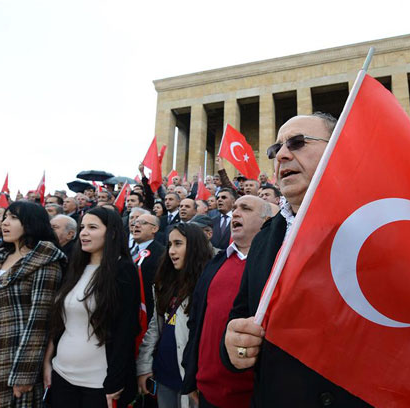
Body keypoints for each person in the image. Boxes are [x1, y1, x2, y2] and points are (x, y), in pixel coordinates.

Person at [222, 112, 370, 406]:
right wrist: (234, 344)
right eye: (275, 150)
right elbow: (240, 316)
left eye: (298, 143)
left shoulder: (375, 227)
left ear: (336, 148)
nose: (282, 156)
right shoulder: (264, 239)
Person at [0, 201, 66, 407]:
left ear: (31, 223)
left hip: (15, 356)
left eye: (14, 218)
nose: (5, 223)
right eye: (5, 217)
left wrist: (24, 373)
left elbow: (39, 321)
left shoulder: (46, 260)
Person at [44, 207, 140, 408]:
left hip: (99, 382)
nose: (84, 233)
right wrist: (47, 362)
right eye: (82, 227)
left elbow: (126, 329)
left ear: (112, 232)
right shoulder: (74, 267)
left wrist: (115, 379)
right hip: (61, 373)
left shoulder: (124, 270)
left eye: (92, 227)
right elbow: (61, 321)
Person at [183, 196, 271, 407]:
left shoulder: (275, 270)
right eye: (235, 208)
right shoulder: (215, 263)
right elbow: (196, 323)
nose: (236, 213)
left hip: (249, 398)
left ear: (267, 222)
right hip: (206, 390)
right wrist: (191, 374)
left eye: (246, 208)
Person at [136, 223, 212, 408]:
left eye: (178, 244)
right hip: (164, 374)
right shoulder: (165, 282)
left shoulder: (208, 284)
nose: (171, 251)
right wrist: (144, 365)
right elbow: (156, 325)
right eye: (170, 244)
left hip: (191, 378)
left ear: (195, 247)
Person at [131, 213, 166, 321]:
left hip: (148, 314)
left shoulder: (161, 253)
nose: (136, 226)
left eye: (143, 223)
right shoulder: (128, 251)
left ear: (154, 229)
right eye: (135, 223)